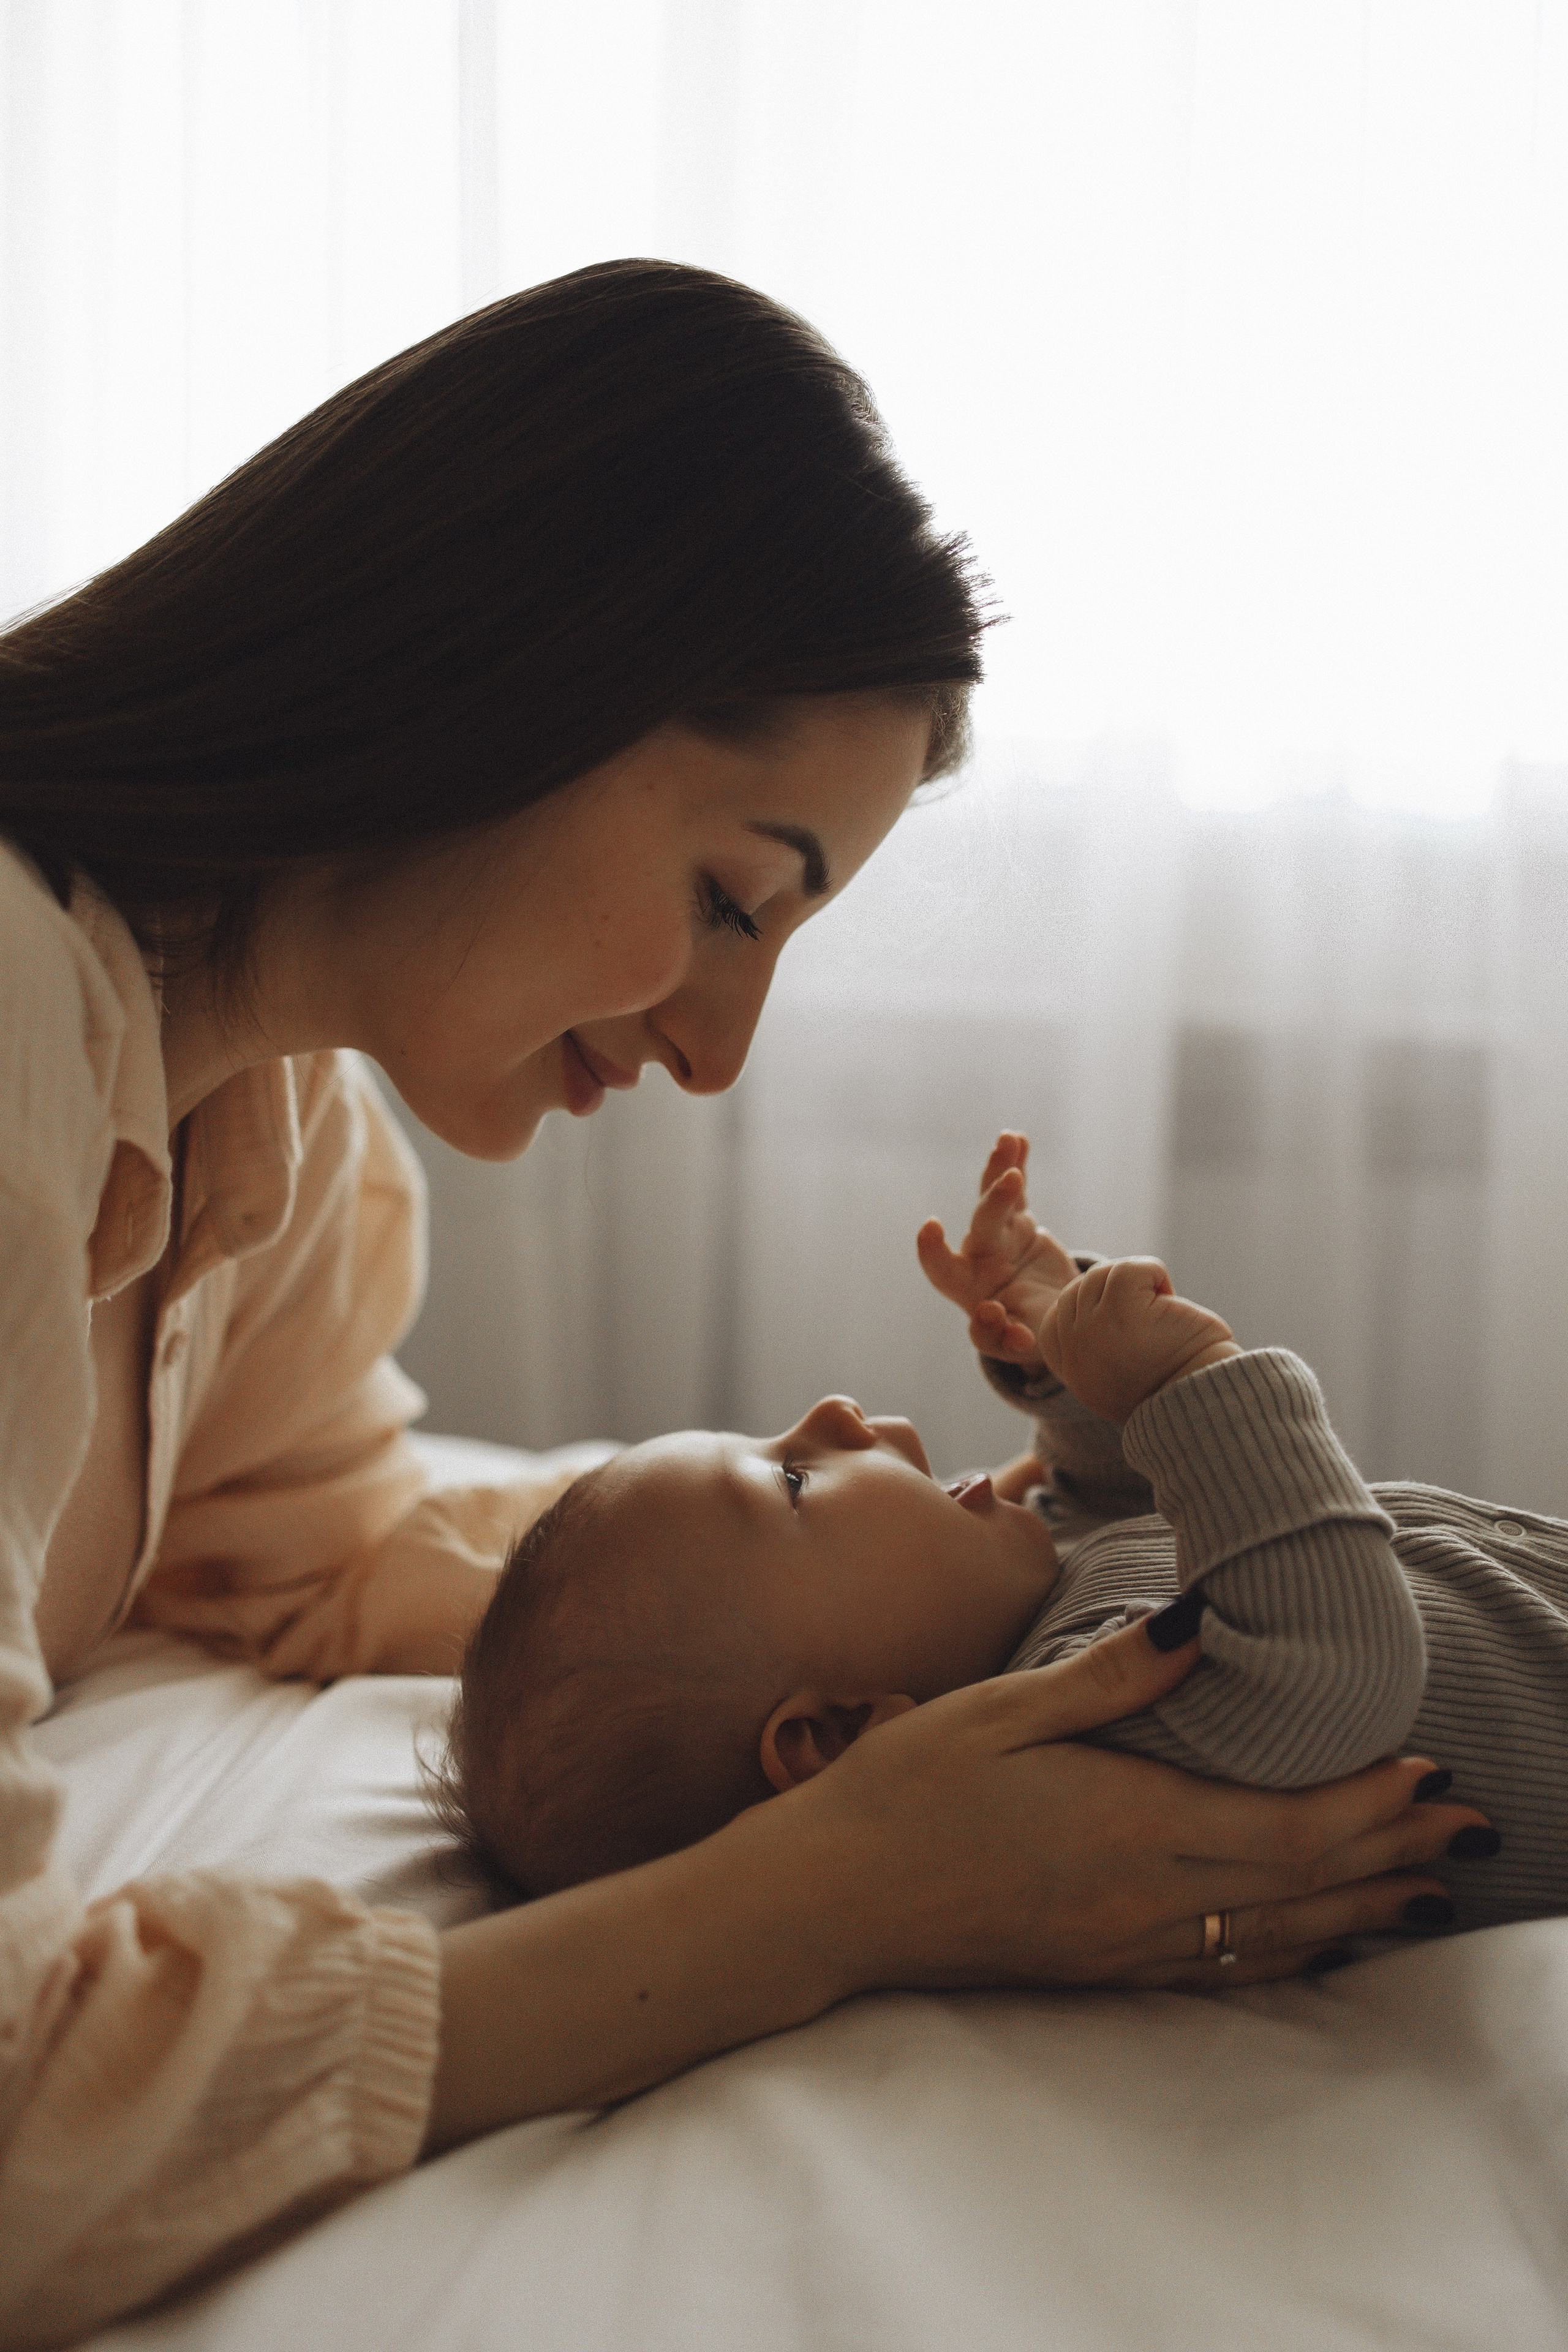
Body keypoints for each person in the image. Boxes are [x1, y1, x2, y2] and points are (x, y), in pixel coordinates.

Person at [0, 262, 1479, 2344]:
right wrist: (840, 1886)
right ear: (504, 668)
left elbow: (319, 1550)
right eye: (734, 900)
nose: (716, 1049)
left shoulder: (278, 1144)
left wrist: (933, 1620)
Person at [441, 1134, 1523, 1929]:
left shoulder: (1050, 1610)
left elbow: (1130, 1517)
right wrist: (1188, 1389)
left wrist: (1068, 1374)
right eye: (790, 1481)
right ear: (827, 1735)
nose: (835, 1415)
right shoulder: (1076, 1750)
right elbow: (1336, 1667)